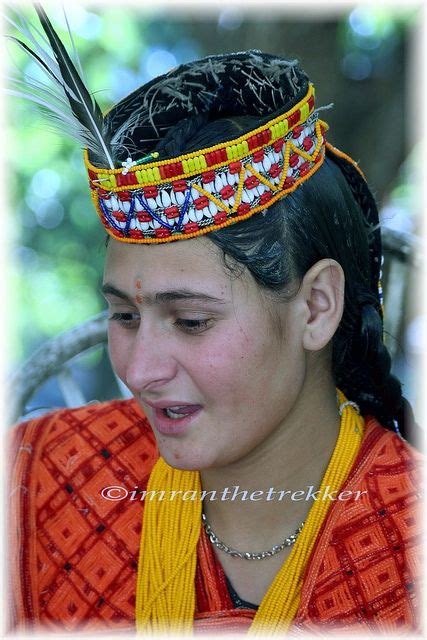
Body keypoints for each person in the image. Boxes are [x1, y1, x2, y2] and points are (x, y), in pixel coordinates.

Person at [7, 6, 422, 635]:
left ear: (316, 307)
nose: (139, 372)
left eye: (192, 321)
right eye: (123, 314)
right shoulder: (39, 479)